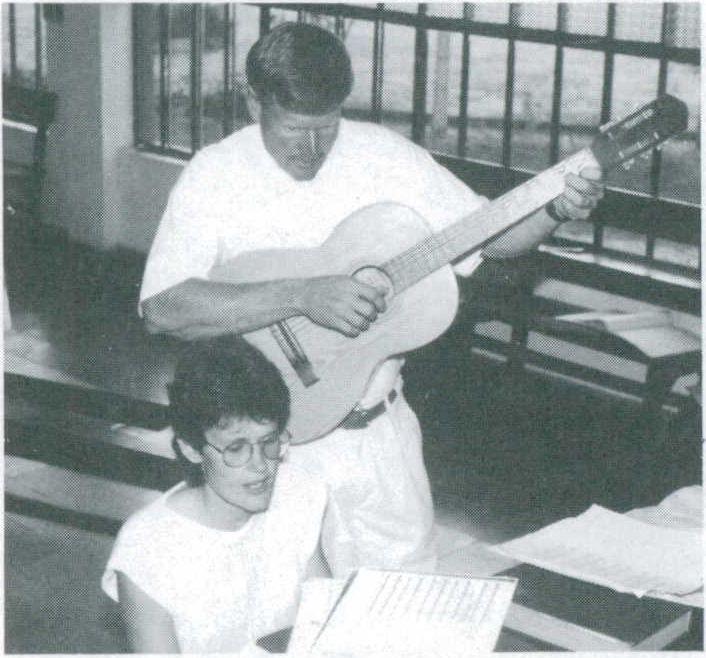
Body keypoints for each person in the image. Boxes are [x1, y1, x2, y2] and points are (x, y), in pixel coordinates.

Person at [139, 22, 604, 577]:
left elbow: (490, 237)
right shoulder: (214, 175)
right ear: (253, 101)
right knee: (287, 606)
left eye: (327, 128)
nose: (312, 150)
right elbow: (163, 310)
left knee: (404, 602)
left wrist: (554, 209)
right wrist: (302, 295)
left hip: (381, 437)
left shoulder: (384, 156)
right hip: (273, 450)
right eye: (293, 130)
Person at [102, 337, 327, 654]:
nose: (260, 466)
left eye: (269, 441)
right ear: (191, 449)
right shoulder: (147, 547)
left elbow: (325, 625)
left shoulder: (297, 491)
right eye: (236, 448)